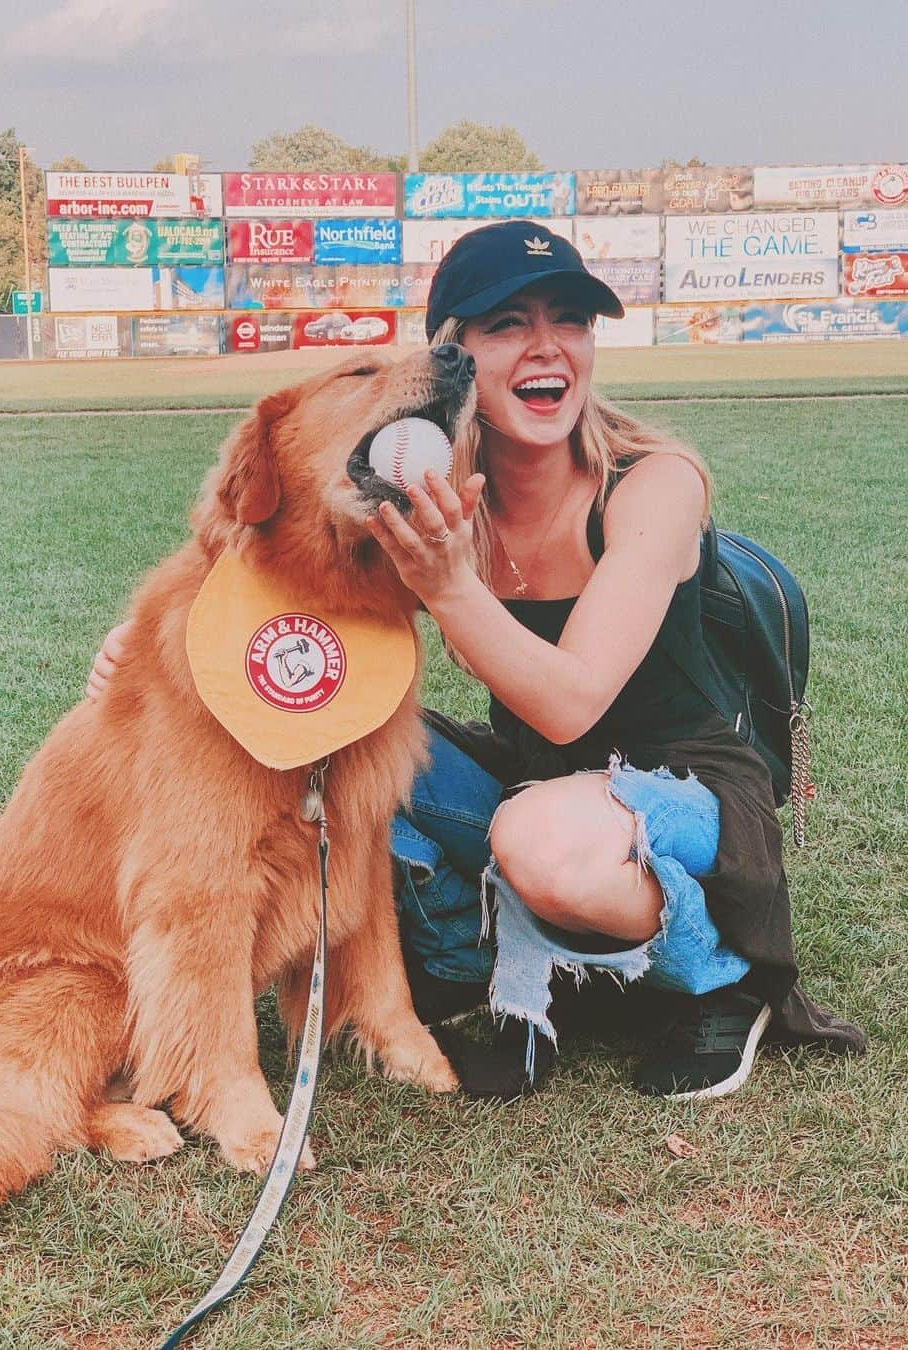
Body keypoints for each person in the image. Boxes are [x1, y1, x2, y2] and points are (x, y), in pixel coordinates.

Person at [87, 221, 863, 1102]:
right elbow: (274, 553)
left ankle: (720, 977)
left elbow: (571, 703)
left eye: (570, 319)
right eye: (506, 325)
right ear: (452, 356)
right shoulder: (435, 484)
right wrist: (149, 640)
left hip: (686, 787)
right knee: (345, 761)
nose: (548, 347)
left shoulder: (654, 483)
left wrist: (451, 585)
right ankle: (508, 967)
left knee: (538, 843)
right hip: (540, 780)